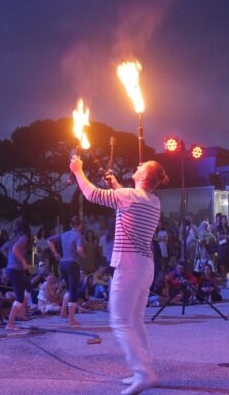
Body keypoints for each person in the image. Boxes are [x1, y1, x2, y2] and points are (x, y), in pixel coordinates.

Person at [70, 155, 168, 395]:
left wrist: (77, 171)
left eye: (141, 166)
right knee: (135, 320)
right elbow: (129, 205)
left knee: (120, 321)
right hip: (145, 266)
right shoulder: (153, 201)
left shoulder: (129, 197)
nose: (137, 165)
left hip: (129, 265)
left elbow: (92, 194)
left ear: (144, 176)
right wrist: (116, 186)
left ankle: (144, 374)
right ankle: (143, 370)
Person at [47, 216, 85, 326]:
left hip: (63, 263)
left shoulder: (64, 234)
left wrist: (55, 253)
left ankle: (63, 313)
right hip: (72, 263)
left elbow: (49, 240)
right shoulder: (78, 235)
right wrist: (83, 255)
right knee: (73, 291)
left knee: (69, 289)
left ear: (70, 225)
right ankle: (71, 319)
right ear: (80, 225)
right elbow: (79, 250)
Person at [1, 218, 31, 330]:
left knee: (25, 292)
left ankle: (19, 315)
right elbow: (15, 250)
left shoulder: (14, 239)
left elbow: (3, 249)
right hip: (15, 269)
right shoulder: (23, 238)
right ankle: (10, 323)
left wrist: (10, 260)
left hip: (12, 269)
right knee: (20, 296)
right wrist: (23, 261)